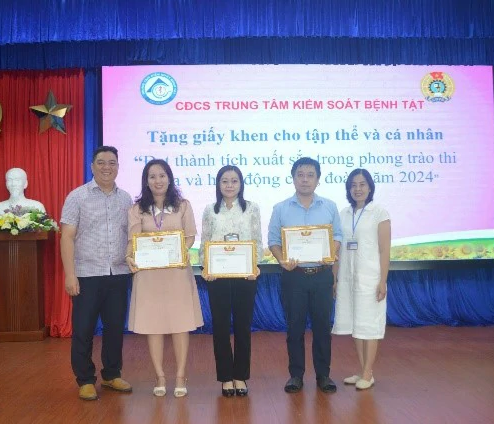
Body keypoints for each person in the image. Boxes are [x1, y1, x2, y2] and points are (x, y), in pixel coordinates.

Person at [60, 146, 133, 401]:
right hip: (86, 274)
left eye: (112, 162)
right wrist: (70, 275)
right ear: (92, 166)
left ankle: (112, 374)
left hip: (118, 273)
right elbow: (67, 237)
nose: (106, 167)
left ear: (118, 167)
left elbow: (132, 237)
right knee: (83, 329)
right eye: (101, 162)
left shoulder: (126, 199)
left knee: (115, 328)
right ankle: (85, 379)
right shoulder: (77, 197)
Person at [125, 159, 204, 398]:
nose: (157, 180)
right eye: (152, 176)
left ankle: (180, 376)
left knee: (180, 325)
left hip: (176, 273)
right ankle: (159, 376)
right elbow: (133, 241)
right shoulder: (137, 209)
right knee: (154, 326)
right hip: (149, 276)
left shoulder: (183, 206)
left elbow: (190, 237)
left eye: (162, 175)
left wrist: (178, 252)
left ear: (169, 178)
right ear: (146, 181)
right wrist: (129, 257)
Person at [268, 157, 343, 394]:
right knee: (295, 327)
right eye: (300, 175)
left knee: (322, 327)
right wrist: (282, 260)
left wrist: (330, 252)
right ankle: (296, 375)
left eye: (310, 175)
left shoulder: (330, 207)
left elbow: (338, 236)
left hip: (322, 275)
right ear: (293, 178)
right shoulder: (281, 208)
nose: (305, 179)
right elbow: (273, 241)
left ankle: (323, 375)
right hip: (294, 276)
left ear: (318, 179)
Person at [200, 165, 262, 397]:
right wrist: (207, 267)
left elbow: (257, 241)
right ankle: (226, 377)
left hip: (246, 277)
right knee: (220, 328)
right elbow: (205, 242)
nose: (229, 185)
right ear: (218, 184)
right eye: (224, 181)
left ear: (241, 184)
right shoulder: (210, 210)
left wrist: (253, 266)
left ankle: (240, 376)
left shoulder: (252, 208)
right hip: (218, 278)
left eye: (234, 181)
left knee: (243, 328)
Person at [332, 168, 391, 390]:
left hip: (370, 278)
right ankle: (362, 370)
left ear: (370, 187)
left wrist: (382, 280)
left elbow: (385, 250)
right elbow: (337, 249)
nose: (357, 189)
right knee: (355, 324)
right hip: (347, 278)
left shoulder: (379, 213)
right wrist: (335, 279)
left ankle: (368, 372)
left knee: (369, 325)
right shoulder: (344, 214)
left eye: (362, 184)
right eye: (353, 185)